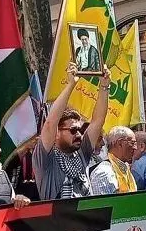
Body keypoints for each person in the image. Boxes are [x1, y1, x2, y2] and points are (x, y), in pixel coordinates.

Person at [33, 63, 111, 200]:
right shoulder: (45, 158)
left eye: (80, 130)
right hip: (58, 214)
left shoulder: (82, 152)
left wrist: (104, 86)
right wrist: (71, 85)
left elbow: (98, 121)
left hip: (85, 213)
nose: (79, 134)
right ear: (57, 133)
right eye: (73, 130)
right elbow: (50, 124)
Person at [89, 126, 137, 195]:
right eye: (132, 143)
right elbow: (102, 201)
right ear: (120, 143)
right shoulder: (104, 173)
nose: (135, 148)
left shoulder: (125, 169)